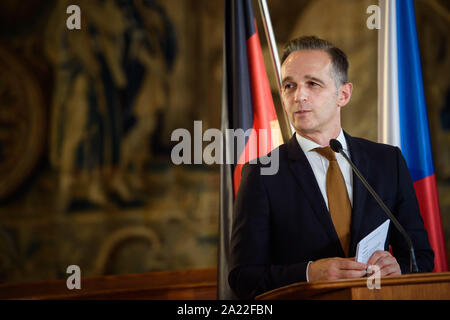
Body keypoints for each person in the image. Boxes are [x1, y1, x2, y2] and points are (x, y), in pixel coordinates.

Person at [228, 36, 434, 299]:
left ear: (343, 94)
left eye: (312, 84)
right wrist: (308, 273)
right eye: (289, 86)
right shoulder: (262, 173)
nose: (298, 95)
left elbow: (421, 256)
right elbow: (242, 277)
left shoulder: (387, 162)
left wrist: (400, 269)